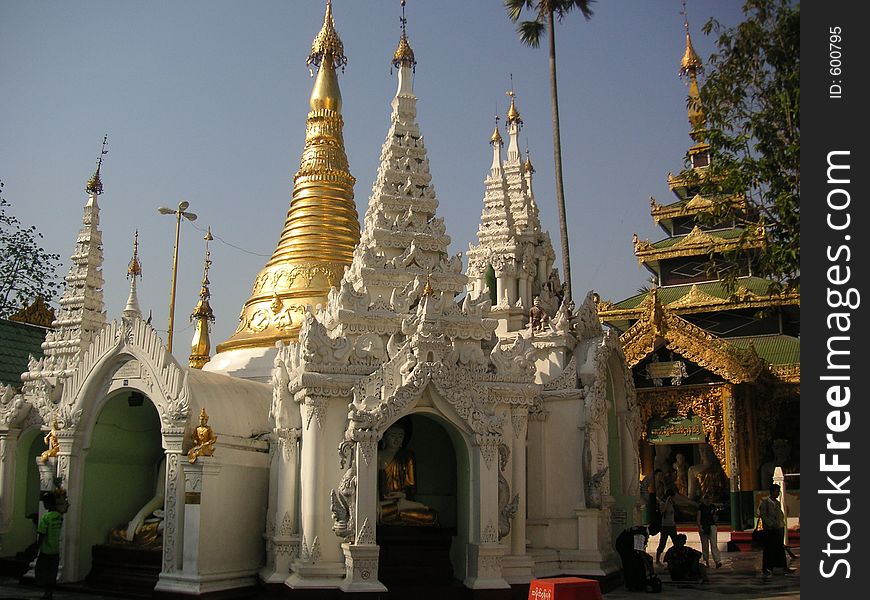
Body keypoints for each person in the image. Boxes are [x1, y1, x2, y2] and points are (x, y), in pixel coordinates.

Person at [377, 418, 437, 525]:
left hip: (402, 500)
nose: (396, 440)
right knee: (377, 514)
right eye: (393, 436)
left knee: (431, 516)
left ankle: (400, 511)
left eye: (400, 436)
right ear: (384, 437)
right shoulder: (378, 456)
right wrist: (377, 501)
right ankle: (399, 511)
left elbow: (412, 486)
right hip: (383, 503)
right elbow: (373, 485)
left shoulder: (407, 456)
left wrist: (402, 495)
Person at [35, 490, 68, 600]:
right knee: (52, 573)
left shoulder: (46, 517)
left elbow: (42, 534)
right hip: (55, 550)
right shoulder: (59, 516)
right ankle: (49, 592)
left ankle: (46, 592)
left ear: (47, 503)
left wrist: (37, 547)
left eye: (44, 502)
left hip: (45, 550)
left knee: (41, 571)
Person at [757, 484, 794, 576]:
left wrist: (780, 523)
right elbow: (763, 516)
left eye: (778, 491)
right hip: (770, 530)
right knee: (769, 549)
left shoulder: (777, 503)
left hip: (778, 528)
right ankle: (767, 568)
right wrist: (771, 524)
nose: (778, 493)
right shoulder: (765, 503)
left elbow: (780, 514)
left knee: (780, 548)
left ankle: (781, 567)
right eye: (777, 491)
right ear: (772, 492)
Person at [696, 494, 722, 568]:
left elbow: (714, 516)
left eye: (710, 499)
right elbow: (698, 518)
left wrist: (716, 519)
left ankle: (717, 561)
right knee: (705, 545)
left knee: (714, 544)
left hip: (712, 526)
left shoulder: (712, 507)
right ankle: (706, 561)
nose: (708, 500)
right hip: (704, 526)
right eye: (707, 499)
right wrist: (700, 527)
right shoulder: (701, 507)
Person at [655, 488, 678, 565]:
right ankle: (657, 559)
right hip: (665, 526)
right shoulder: (663, 502)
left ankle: (677, 557)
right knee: (662, 543)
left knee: (676, 542)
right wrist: (667, 500)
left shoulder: (672, 503)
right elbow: (663, 510)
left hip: (672, 525)